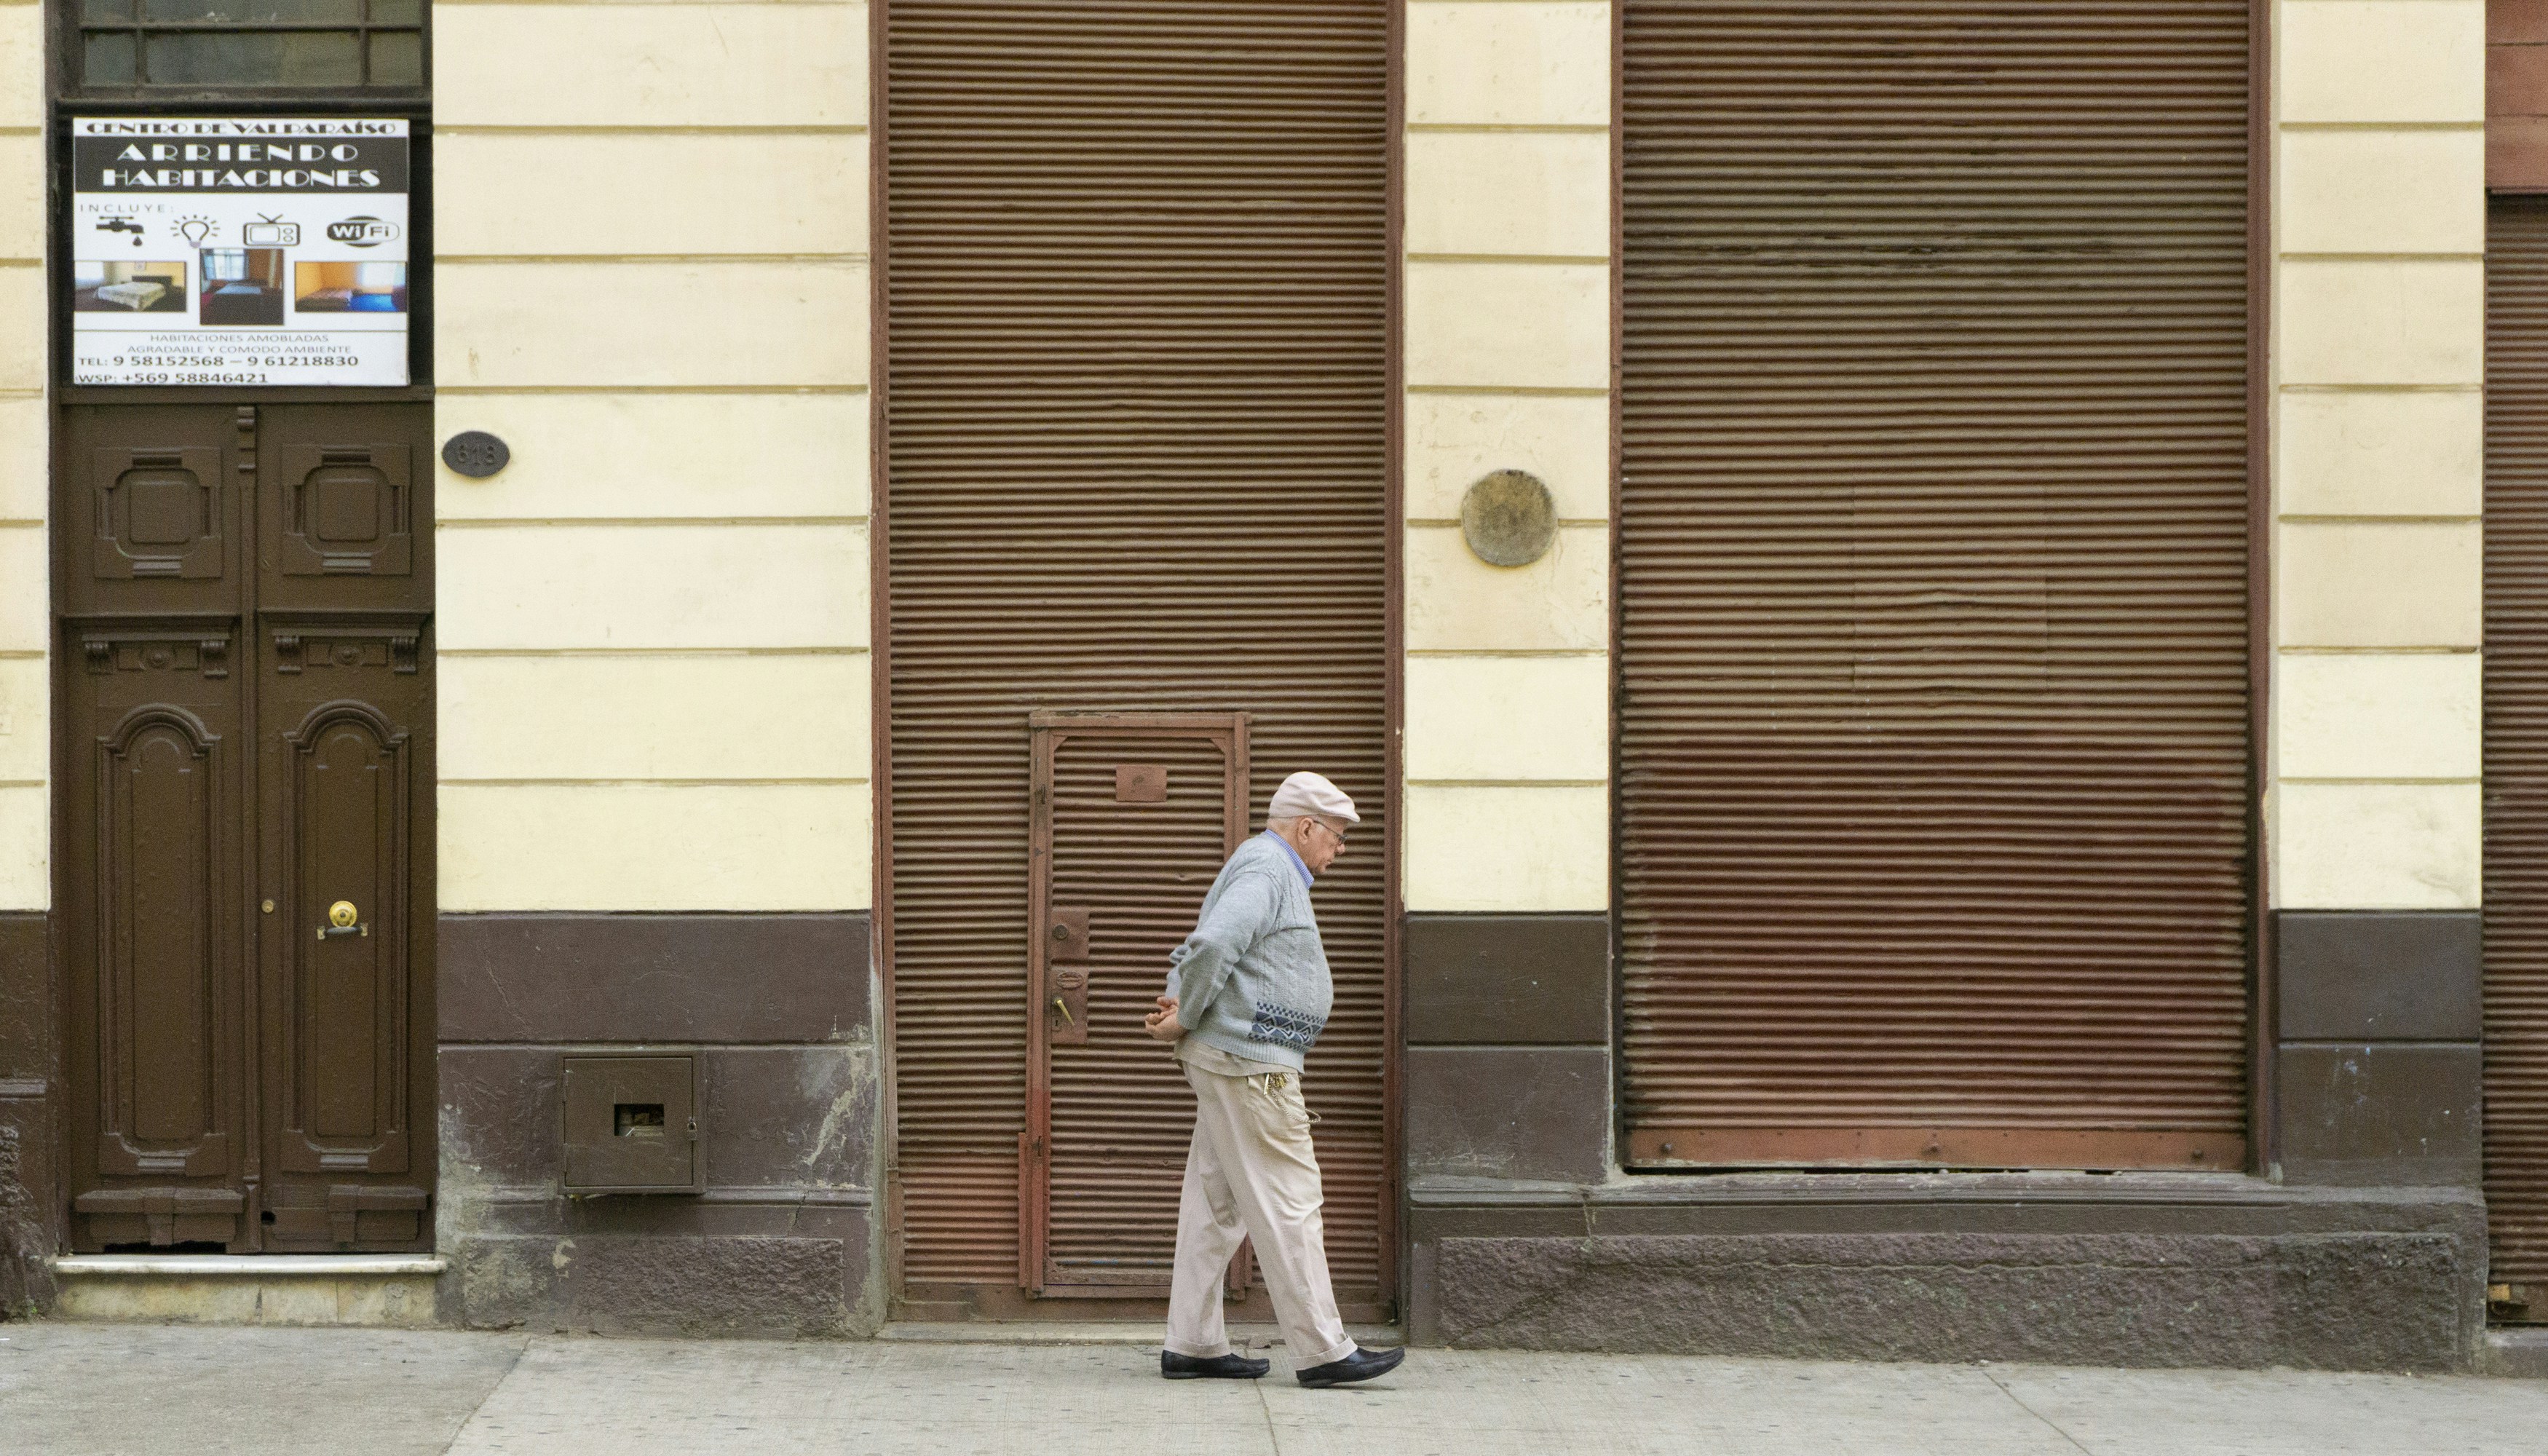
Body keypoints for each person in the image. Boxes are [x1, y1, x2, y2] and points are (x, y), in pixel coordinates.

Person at [1144, 770, 1406, 1389]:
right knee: (1290, 1200)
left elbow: (1204, 945)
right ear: (1306, 826)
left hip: (1235, 1061)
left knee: (1217, 1204)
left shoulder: (1264, 866)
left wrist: (1188, 1008)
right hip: (1250, 1063)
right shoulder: (1268, 867)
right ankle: (1323, 1351)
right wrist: (1188, 1014)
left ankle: (1194, 1344)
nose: (1341, 848)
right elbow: (1214, 942)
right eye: (1337, 835)